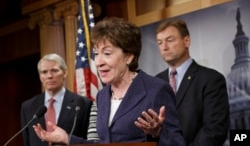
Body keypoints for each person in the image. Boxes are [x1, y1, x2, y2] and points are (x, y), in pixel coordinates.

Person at [32, 17, 186, 146]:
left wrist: (158, 133)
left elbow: (177, 142)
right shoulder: (103, 95)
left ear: (129, 56)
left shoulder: (156, 90)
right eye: (96, 53)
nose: (98, 62)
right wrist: (66, 138)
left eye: (106, 53)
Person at [154, 19, 229, 146]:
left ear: (186, 41)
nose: (164, 47)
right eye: (160, 43)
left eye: (170, 40)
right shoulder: (155, 82)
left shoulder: (212, 79)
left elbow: (215, 130)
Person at [21, 53, 93, 146]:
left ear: (65, 73)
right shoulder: (27, 107)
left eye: (54, 70)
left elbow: (88, 141)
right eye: (44, 72)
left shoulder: (83, 104)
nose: (49, 76)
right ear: (40, 77)